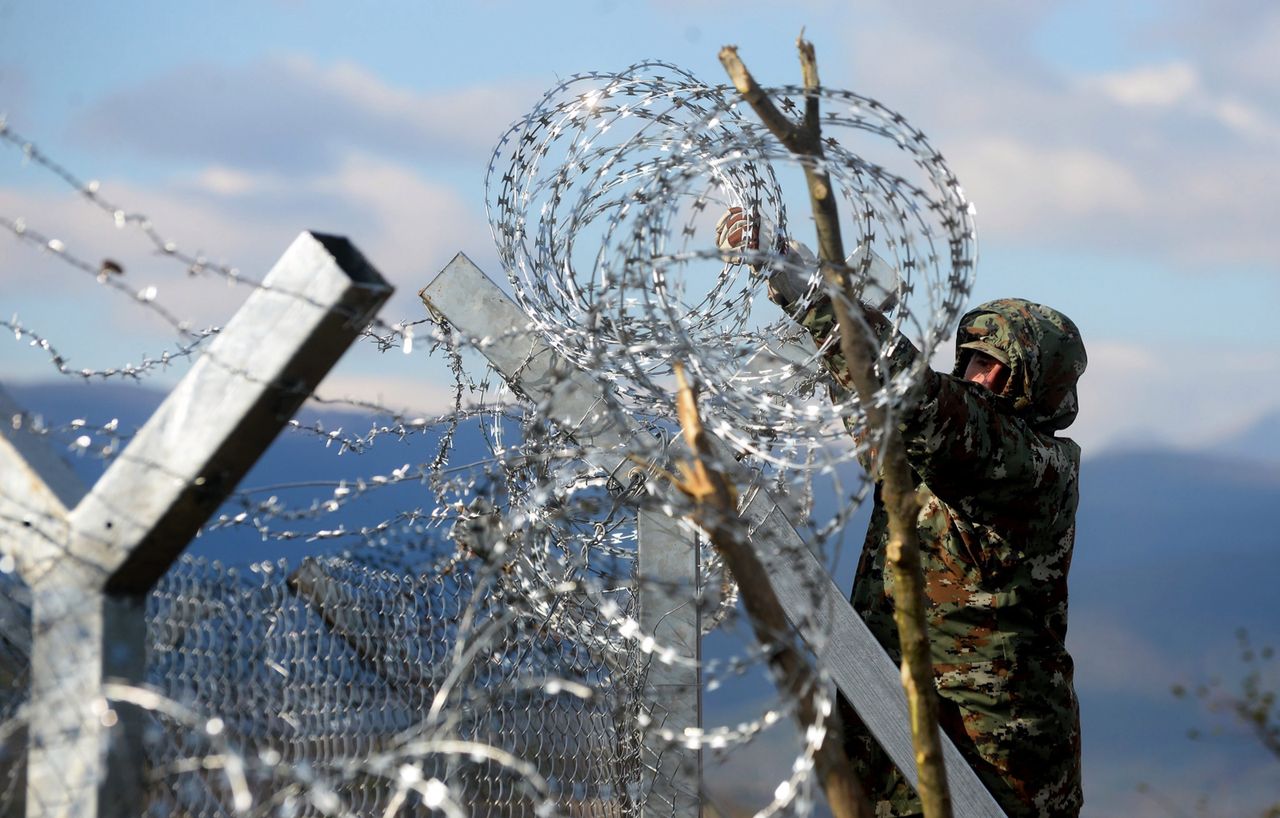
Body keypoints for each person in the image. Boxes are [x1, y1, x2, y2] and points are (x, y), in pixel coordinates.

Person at [717, 209, 1087, 817]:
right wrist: (801, 287)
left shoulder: (1030, 465)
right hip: (904, 738)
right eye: (971, 359)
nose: (978, 375)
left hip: (989, 766)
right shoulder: (952, 457)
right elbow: (876, 404)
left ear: (1039, 387)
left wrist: (800, 283)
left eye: (999, 367)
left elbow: (909, 397)